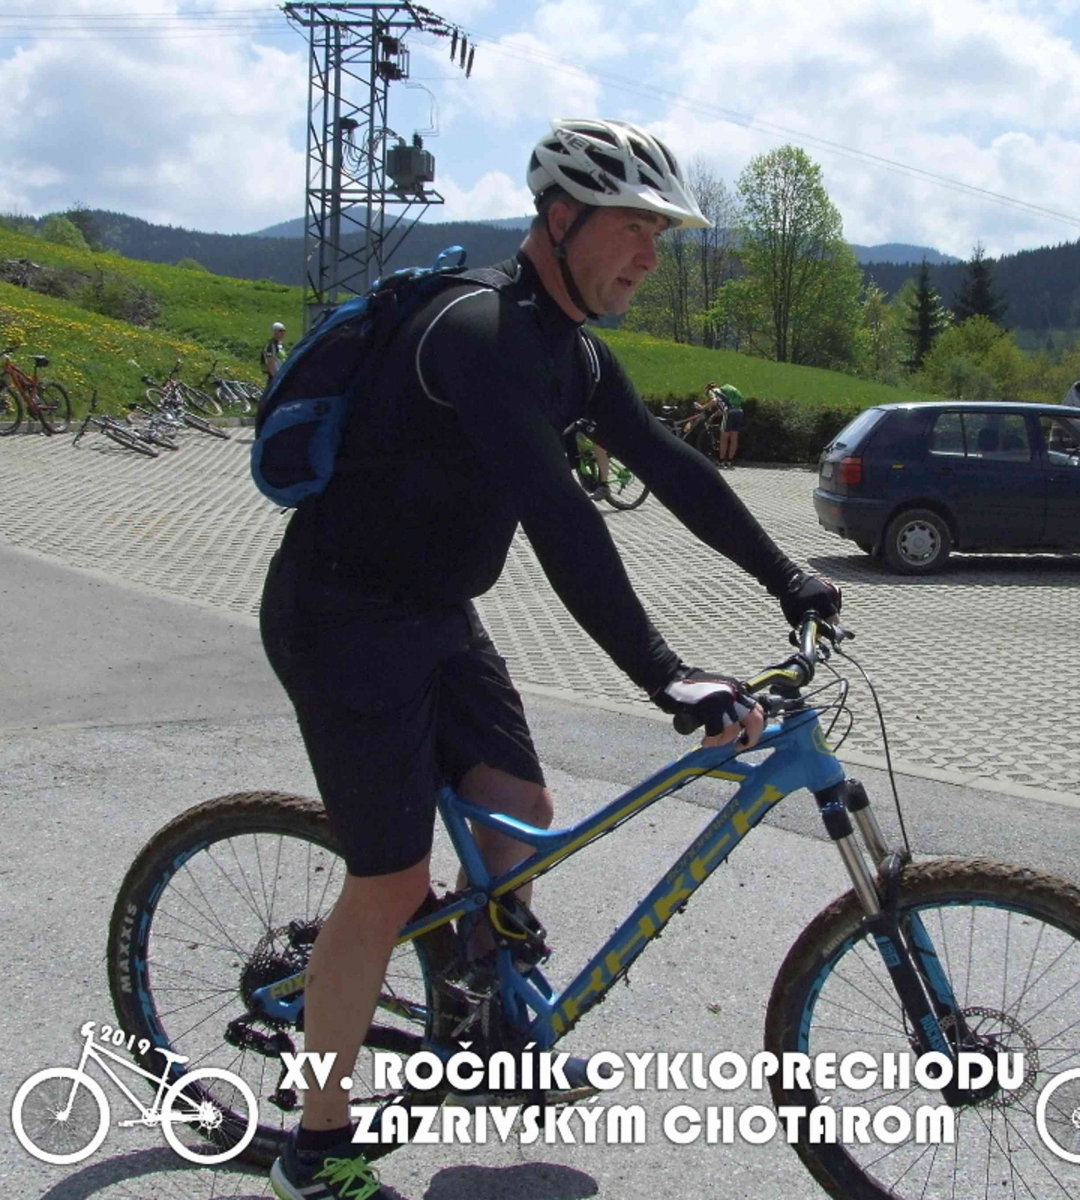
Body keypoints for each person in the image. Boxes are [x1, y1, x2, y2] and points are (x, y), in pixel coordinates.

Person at [261, 117, 841, 1200]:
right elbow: (561, 516)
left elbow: (670, 466)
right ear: (563, 218)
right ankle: (318, 1147)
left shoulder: (572, 352)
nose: (650, 256)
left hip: (437, 613)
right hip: (340, 616)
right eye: (634, 229)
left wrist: (786, 575)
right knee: (389, 883)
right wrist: (664, 671)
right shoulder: (476, 333)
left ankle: (484, 1022)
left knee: (517, 811)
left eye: (660, 236)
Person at [708, 381, 745, 466]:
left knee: (724, 438)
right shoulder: (728, 391)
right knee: (734, 438)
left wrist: (703, 407)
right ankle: (729, 461)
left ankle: (721, 461)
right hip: (739, 411)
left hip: (729, 413)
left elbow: (715, 401)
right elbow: (723, 409)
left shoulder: (715, 391)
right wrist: (713, 416)